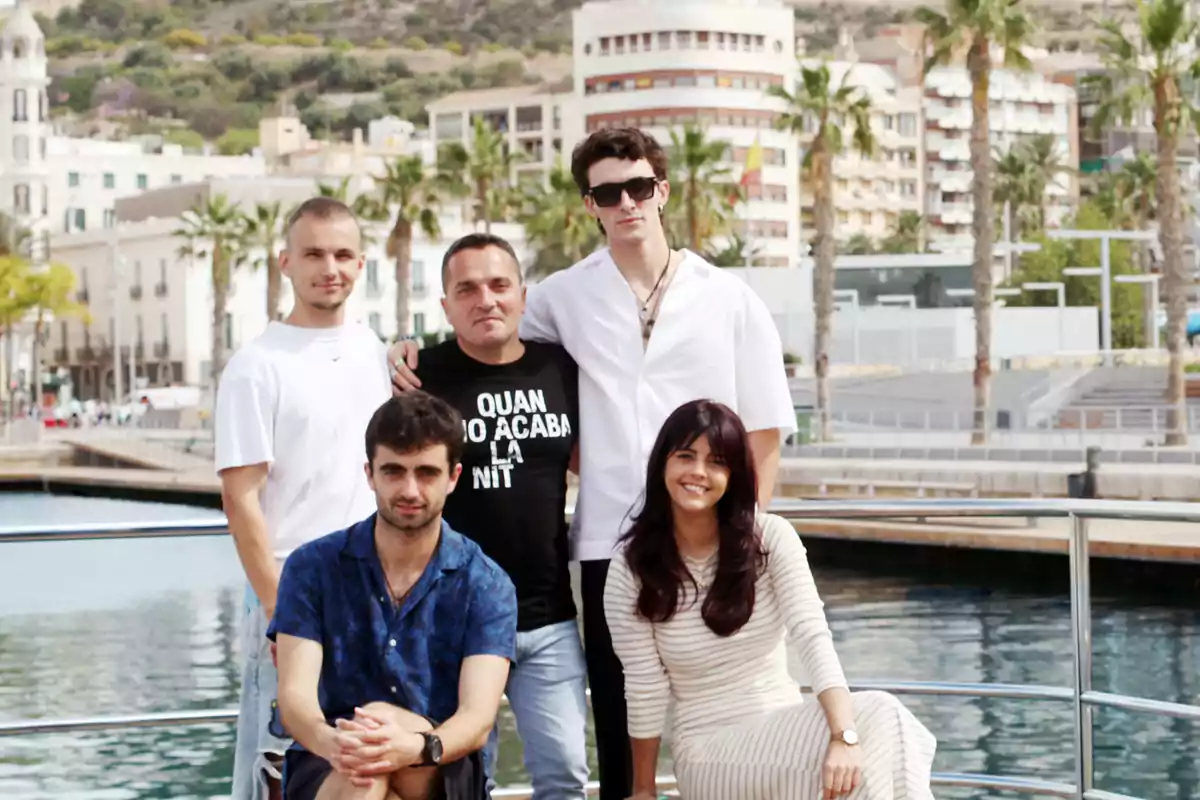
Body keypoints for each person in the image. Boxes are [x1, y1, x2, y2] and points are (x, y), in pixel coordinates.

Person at [390, 127, 797, 799]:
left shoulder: (731, 300)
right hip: (609, 545)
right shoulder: (558, 298)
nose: (626, 202)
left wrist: (745, 540)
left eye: (639, 187)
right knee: (616, 722)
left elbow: (764, 433)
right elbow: (489, 341)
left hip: (714, 542)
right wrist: (408, 351)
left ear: (661, 190)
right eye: (609, 192)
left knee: (735, 707)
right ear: (591, 204)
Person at [604, 399, 937, 800]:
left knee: (875, 738)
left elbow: (812, 637)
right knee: (883, 717)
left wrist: (842, 736)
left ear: (734, 475)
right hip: (709, 752)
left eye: (716, 462)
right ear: (662, 465)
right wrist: (643, 790)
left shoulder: (770, 540)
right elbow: (644, 686)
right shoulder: (632, 567)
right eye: (686, 456)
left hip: (784, 721)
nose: (698, 472)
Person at [215, 196, 394, 800]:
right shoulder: (256, 365)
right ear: (285, 262)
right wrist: (278, 609)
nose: (330, 267)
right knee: (282, 763)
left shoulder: (375, 350)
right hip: (295, 592)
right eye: (314, 253)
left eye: (343, 254)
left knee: (368, 758)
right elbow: (241, 498)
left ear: (362, 264)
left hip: (379, 592)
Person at [270, 392, 519, 800]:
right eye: (393, 472)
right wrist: (332, 742)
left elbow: (476, 719)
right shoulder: (311, 567)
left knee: (373, 755)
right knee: (365, 770)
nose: (409, 489)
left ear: (453, 477)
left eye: (426, 473)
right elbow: (295, 695)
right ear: (369, 474)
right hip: (330, 755)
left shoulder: (486, 583)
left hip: (440, 758)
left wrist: (417, 747)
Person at [414, 232, 589, 798]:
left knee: (564, 772)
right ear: (446, 305)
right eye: (466, 289)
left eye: (498, 285)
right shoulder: (421, 377)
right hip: (455, 620)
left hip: (548, 616)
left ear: (522, 294)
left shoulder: (562, 370)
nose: (484, 299)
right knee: (463, 781)